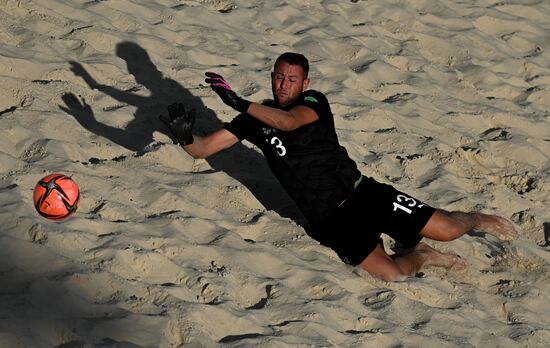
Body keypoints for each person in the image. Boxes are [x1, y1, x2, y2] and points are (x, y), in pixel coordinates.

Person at [160, 52, 519, 282]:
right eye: (278, 77)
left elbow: (288, 123)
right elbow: (205, 149)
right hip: (329, 218)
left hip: (361, 192)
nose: (284, 85)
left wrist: (238, 101)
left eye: (291, 79)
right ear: (271, 77)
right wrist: (185, 137)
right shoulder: (254, 118)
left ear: (305, 83)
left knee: (448, 229)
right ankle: (422, 255)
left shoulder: (314, 102)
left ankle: (472, 217)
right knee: (392, 274)